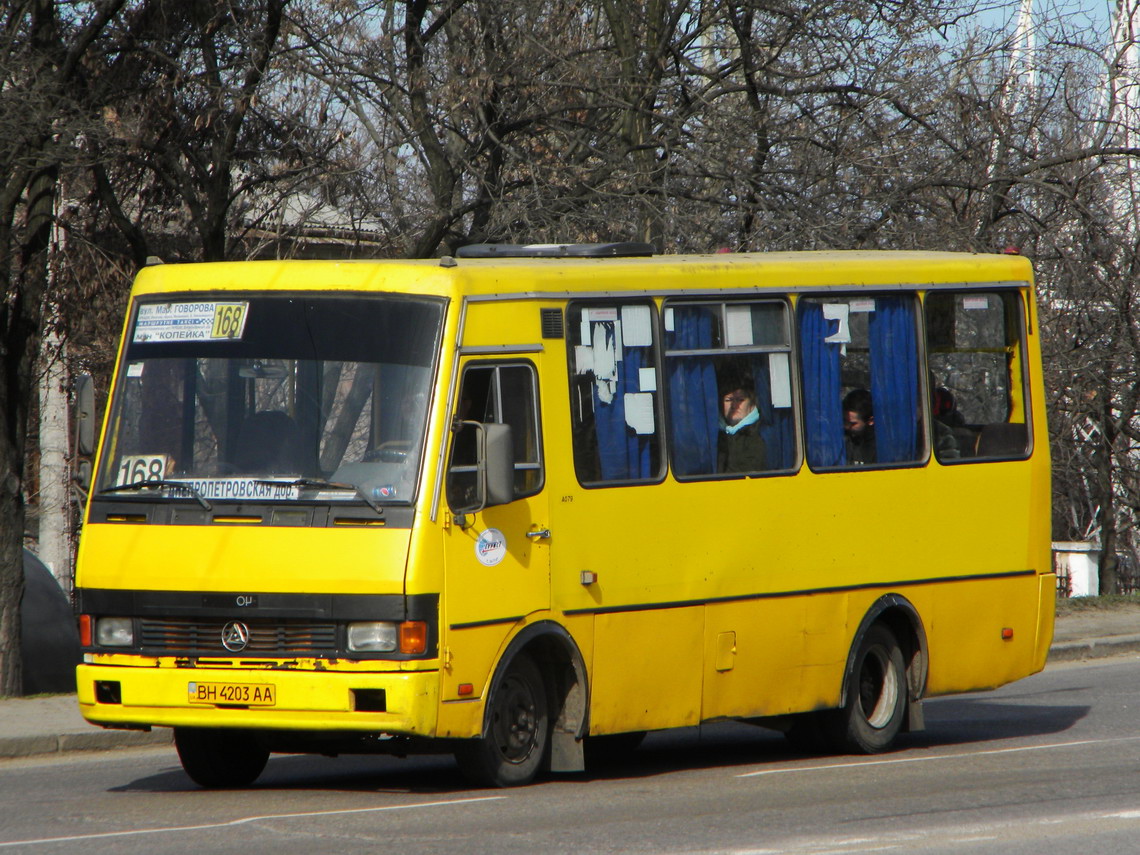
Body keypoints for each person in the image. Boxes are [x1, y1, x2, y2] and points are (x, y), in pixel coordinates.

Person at [717, 376, 766, 473]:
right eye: (728, 400)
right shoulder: (713, 435)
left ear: (752, 405)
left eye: (740, 400)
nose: (734, 405)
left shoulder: (761, 434)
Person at [843, 388, 876, 465]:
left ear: (870, 421)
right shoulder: (842, 441)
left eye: (853, 424)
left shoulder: (880, 448)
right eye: (844, 421)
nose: (846, 427)